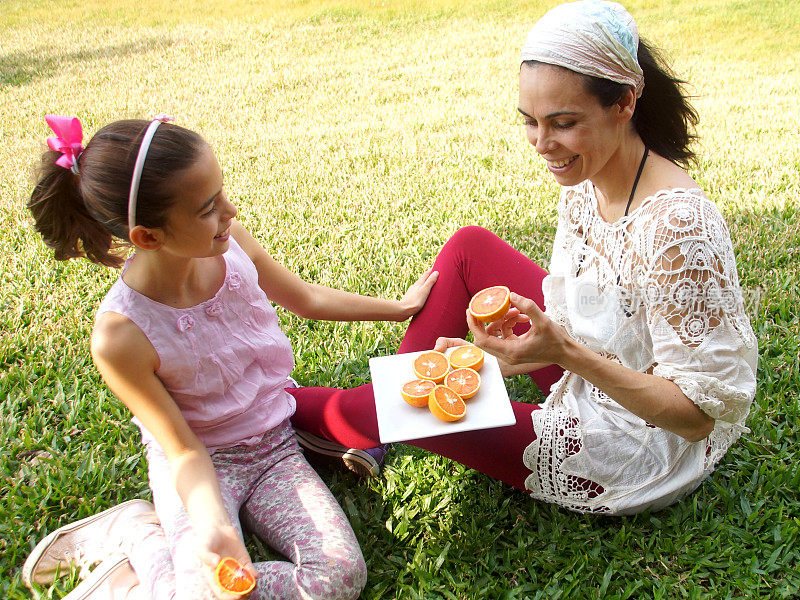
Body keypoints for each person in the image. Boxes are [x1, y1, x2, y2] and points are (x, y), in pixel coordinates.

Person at [284, 0, 758, 515]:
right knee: (468, 248)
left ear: (624, 102)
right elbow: (590, 318)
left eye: (563, 122)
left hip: (636, 442)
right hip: (590, 368)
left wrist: (563, 351)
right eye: (530, 121)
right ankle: (392, 417)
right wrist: (496, 358)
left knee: (385, 405)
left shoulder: (677, 229)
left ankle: (261, 414)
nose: (541, 144)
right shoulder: (589, 175)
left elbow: (694, 418)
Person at [23, 114, 438, 600]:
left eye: (221, 194)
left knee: (340, 578)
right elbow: (182, 449)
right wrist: (213, 522)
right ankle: (138, 533)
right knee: (207, 592)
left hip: (273, 450)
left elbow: (304, 298)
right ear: (148, 238)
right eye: (207, 209)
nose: (231, 210)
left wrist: (398, 310)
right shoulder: (121, 336)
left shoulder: (231, 243)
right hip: (200, 470)